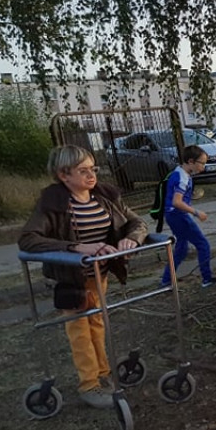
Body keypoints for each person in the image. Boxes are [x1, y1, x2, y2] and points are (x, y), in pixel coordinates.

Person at [19, 146, 148, 409]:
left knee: (97, 323)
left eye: (93, 168)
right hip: (71, 278)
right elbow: (28, 240)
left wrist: (130, 239)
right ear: (63, 175)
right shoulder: (52, 203)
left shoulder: (105, 196)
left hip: (98, 274)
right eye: (83, 170)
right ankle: (88, 384)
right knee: (79, 330)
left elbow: (138, 223)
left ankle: (103, 374)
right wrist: (74, 247)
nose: (91, 175)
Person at [160, 145, 216, 288]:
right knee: (203, 245)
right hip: (179, 216)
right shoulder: (183, 178)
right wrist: (196, 212)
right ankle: (207, 279)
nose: (203, 167)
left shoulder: (178, 173)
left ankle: (166, 280)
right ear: (191, 161)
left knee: (181, 248)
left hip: (172, 215)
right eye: (202, 163)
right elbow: (177, 201)